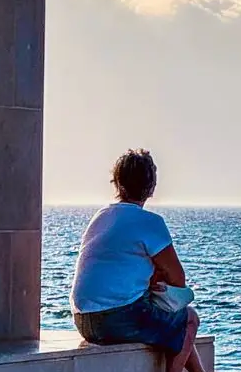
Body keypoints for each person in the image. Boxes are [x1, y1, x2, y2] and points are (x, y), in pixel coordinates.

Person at [71, 149, 208, 372]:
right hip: (116, 319)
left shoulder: (101, 216)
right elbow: (178, 279)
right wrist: (158, 275)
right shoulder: (149, 222)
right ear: (152, 187)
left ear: (116, 182)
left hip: (83, 321)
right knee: (189, 318)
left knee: (176, 325)